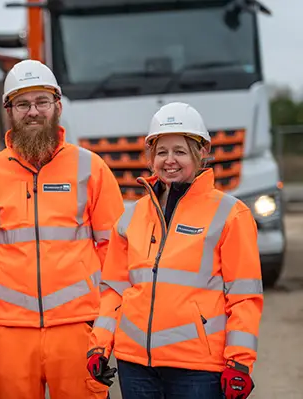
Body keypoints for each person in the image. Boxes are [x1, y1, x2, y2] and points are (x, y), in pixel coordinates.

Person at [0, 59, 125, 399]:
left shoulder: (90, 168)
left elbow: (116, 251)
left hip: (79, 327)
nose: (32, 112)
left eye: (41, 102)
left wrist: (100, 319)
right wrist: (15, 284)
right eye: (22, 103)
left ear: (58, 106)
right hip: (9, 332)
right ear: (9, 110)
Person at [87, 102, 263, 399]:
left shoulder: (230, 214)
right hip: (135, 365)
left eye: (180, 151)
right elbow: (115, 291)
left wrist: (239, 362)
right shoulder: (131, 217)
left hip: (197, 369)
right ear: (151, 157)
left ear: (200, 153)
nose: (170, 160)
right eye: (162, 151)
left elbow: (244, 297)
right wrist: (100, 344)